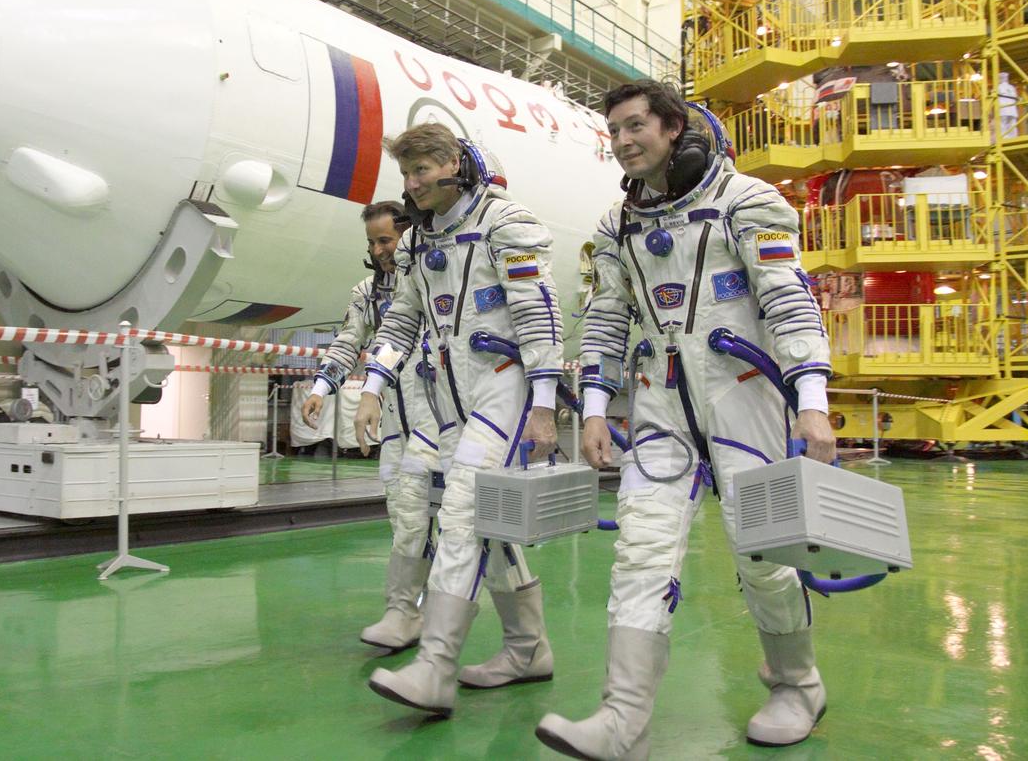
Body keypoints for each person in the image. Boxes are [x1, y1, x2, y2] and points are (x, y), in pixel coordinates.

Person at [536, 80, 835, 759]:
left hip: (743, 399)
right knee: (639, 554)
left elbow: (790, 302)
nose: (623, 141)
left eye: (635, 125)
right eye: (613, 132)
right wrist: (591, 408)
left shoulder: (747, 201)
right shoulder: (618, 226)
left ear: (674, 127)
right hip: (661, 409)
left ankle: (798, 682)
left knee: (763, 554)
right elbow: (605, 319)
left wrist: (811, 402)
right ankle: (622, 720)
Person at [355, 123, 562, 717]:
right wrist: (374, 385)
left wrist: (544, 406)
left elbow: (540, 319)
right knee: (487, 528)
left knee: (463, 513)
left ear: (455, 164)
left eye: (421, 171)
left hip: (504, 391)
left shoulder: (507, 224)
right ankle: (528, 649)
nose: (411, 185)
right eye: (405, 174)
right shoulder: (420, 243)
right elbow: (401, 321)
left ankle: (436, 666)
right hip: (451, 404)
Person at [301, 200, 436, 652]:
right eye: (373, 243)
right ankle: (407, 611)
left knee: (467, 521)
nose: (380, 250)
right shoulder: (368, 292)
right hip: (398, 420)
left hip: (444, 416)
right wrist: (321, 388)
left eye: (387, 240)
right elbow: (349, 340)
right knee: (405, 512)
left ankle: (433, 611)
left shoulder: (432, 277)